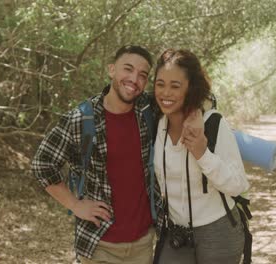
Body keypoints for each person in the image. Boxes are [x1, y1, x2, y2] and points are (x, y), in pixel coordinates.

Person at [31, 45, 164, 264]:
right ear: (111, 70)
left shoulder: (148, 111)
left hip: (143, 245)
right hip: (99, 245)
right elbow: (42, 164)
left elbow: (185, 96)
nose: (134, 79)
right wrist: (75, 205)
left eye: (143, 75)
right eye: (127, 69)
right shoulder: (81, 119)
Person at [152, 48, 250, 264]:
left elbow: (238, 185)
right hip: (176, 231)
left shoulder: (213, 123)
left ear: (190, 88)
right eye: (160, 84)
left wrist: (202, 152)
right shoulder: (154, 123)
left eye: (175, 86)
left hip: (219, 231)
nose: (165, 93)